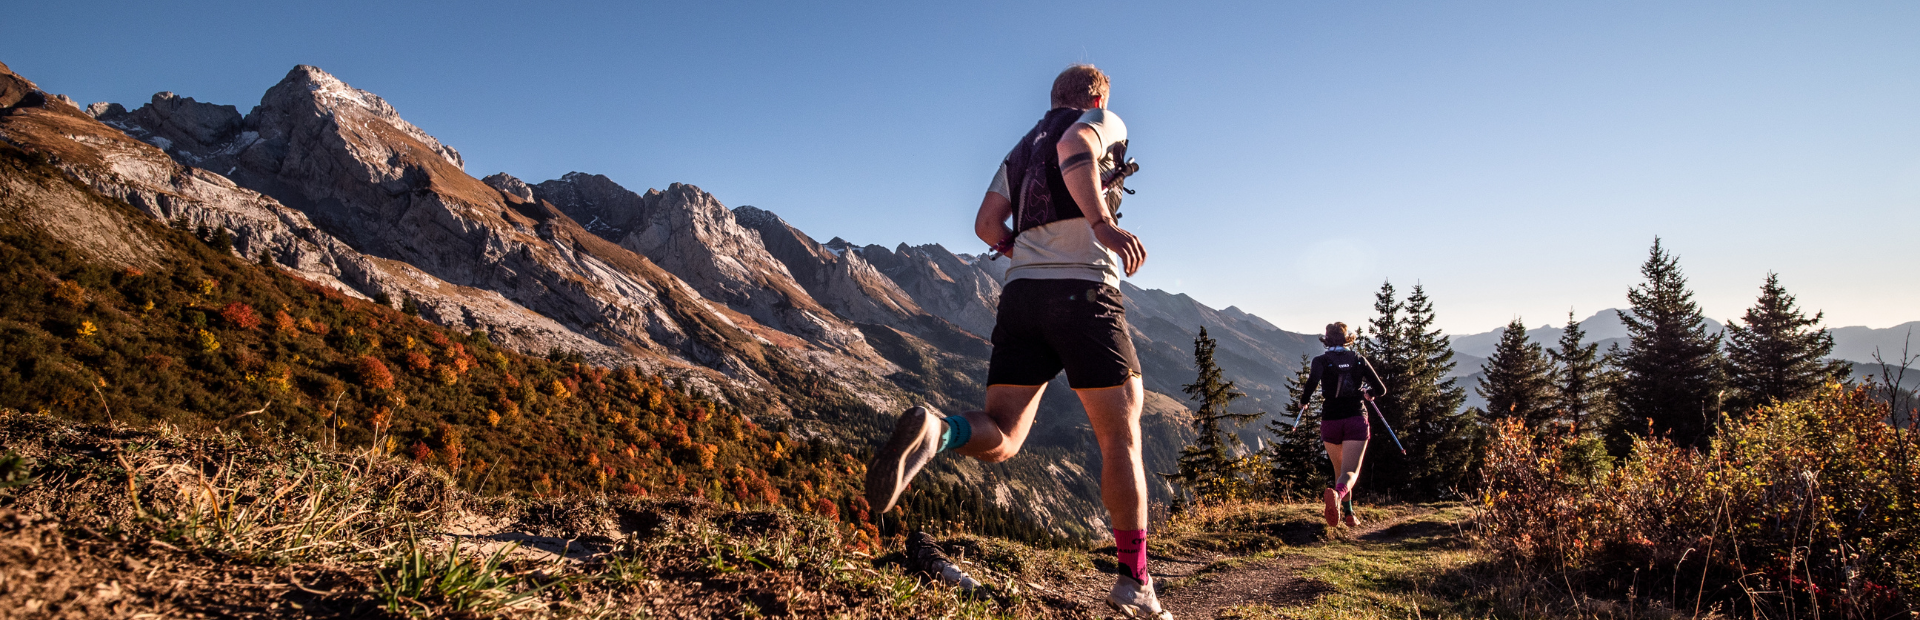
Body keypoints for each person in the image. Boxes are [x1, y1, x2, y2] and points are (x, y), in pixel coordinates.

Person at [864, 64, 1167, 619]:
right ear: (1096, 96)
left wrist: (1015, 247)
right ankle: (1134, 582)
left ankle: (940, 430)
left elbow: (985, 223)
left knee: (1003, 434)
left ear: (1051, 96)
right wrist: (1100, 223)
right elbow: (1078, 143)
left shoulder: (1023, 145)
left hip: (1023, 296)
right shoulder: (1096, 120)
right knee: (1121, 435)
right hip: (1084, 291)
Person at [1294, 322, 1386, 528]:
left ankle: (1349, 514)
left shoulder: (1321, 360)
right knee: (1350, 472)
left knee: (1340, 471)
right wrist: (1369, 393)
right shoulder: (1358, 360)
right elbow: (1381, 389)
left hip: (1330, 420)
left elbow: (1312, 382)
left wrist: (1304, 401)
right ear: (1347, 339)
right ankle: (1337, 497)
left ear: (1326, 340)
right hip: (1355, 418)